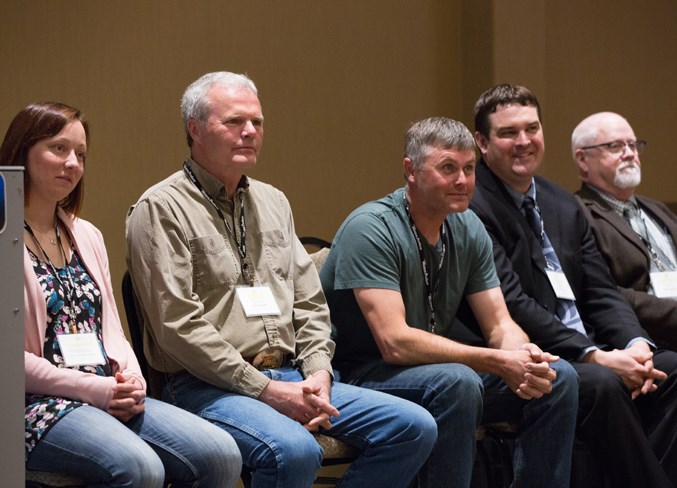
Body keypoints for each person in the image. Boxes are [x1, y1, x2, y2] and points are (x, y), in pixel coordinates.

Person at [125, 71, 437, 488]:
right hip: (206, 386)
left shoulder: (273, 201)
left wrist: (318, 376)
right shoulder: (160, 208)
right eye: (234, 122)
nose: (250, 131)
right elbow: (177, 326)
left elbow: (309, 303)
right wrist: (266, 392)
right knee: (293, 450)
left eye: (257, 122)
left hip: (293, 375)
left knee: (414, 427)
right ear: (195, 129)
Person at [320, 116, 579, 488]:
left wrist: (524, 357)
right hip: (359, 377)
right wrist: (496, 360)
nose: (462, 180)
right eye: (448, 168)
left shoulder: (468, 226)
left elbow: (499, 324)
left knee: (558, 378)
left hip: (434, 374)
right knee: (456, 381)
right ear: (411, 170)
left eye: (469, 168)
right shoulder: (371, 227)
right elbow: (394, 343)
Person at [7, 102, 242, 487]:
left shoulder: (86, 234)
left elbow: (111, 328)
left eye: (81, 155)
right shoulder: (5, 239)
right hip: (35, 403)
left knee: (221, 454)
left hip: (107, 389)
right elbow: (9, 360)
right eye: (59, 148)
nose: (72, 163)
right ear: (23, 150)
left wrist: (131, 380)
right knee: (141, 468)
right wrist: (96, 390)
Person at [468, 84, 677, 487]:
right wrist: (593, 356)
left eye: (532, 128)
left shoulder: (563, 202)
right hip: (532, 351)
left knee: (669, 369)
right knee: (601, 385)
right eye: (509, 133)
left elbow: (601, 292)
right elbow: (513, 302)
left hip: (595, 344)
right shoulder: (473, 206)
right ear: (482, 142)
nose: (524, 141)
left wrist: (635, 346)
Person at [572, 111, 677, 350]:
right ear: (582, 159)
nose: (630, 153)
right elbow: (606, 292)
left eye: (633, 144)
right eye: (615, 146)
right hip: (646, 340)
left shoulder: (656, 208)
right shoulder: (578, 214)